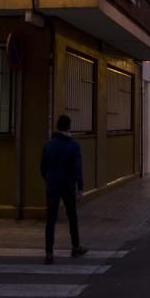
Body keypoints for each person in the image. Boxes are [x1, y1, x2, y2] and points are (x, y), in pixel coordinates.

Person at [40, 114, 88, 265]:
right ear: (69, 127)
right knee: (72, 217)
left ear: (56, 126)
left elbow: (42, 167)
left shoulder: (48, 145)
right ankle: (75, 247)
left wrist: (48, 179)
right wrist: (80, 187)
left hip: (52, 185)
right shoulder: (73, 145)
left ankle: (49, 252)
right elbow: (77, 168)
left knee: (51, 219)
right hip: (67, 185)